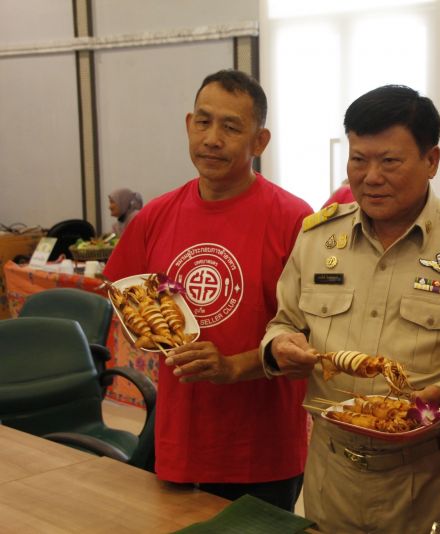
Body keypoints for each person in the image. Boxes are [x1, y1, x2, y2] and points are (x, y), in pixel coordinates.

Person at [260, 85, 440, 533]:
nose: (370, 176)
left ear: (431, 161)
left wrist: (438, 398)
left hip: (428, 476)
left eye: (389, 161)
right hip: (331, 471)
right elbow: (285, 321)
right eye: (359, 159)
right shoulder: (317, 238)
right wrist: (279, 345)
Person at [103, 69, 312, 510]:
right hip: (179, 442)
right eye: (203, 122)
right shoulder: (154, 217)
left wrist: (233, 366)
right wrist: (152, 332)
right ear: (187, 125)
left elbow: (313, 338)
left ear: (260, 141)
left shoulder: (295, 220)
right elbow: (126, 304)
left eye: (231, 127)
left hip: (263, 453)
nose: (212, 138)